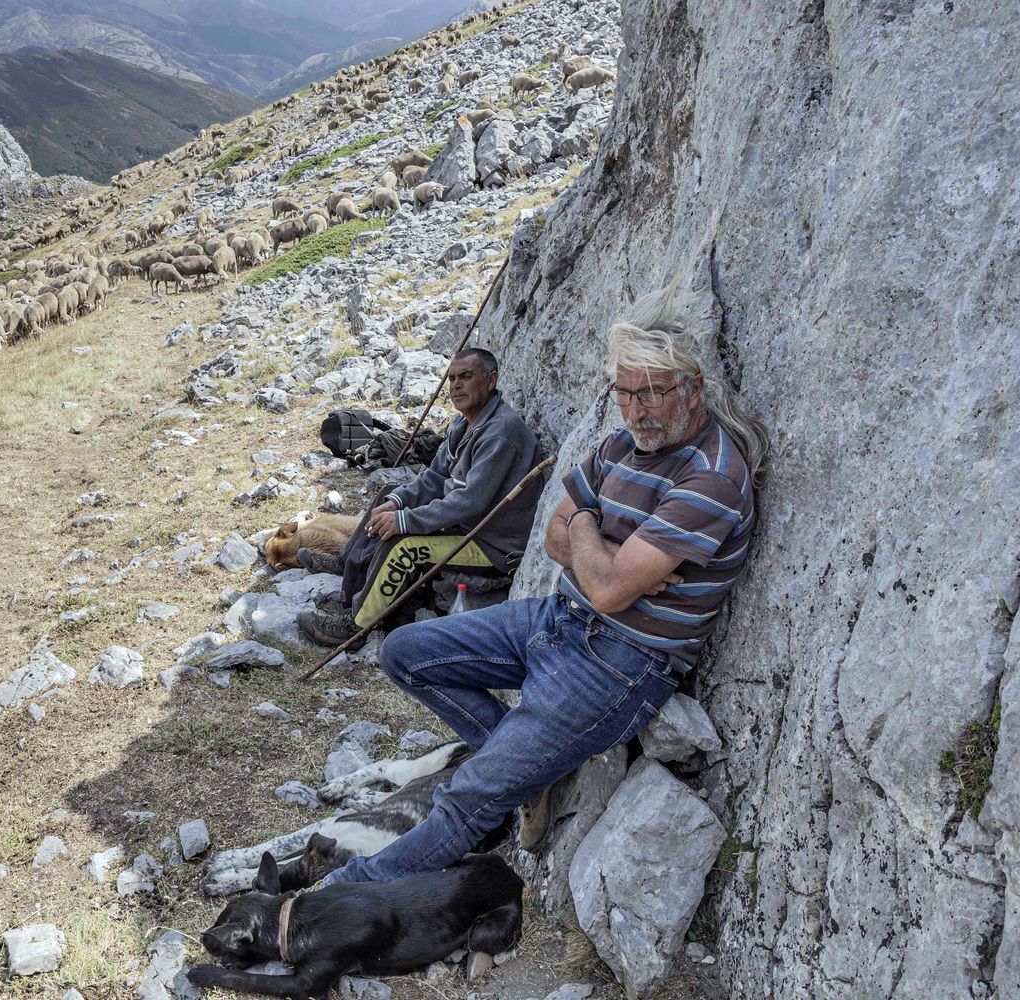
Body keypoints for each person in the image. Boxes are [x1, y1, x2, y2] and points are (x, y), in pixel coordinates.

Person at [318, 280, 769, 886]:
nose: (637, 410)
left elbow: (605, 586)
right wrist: (599, 546)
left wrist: (590, 543)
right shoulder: (621, 444)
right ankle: (530, 770)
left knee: (470, 796)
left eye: (654, 393)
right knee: (404, 652)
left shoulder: (711, 477)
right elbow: (556, 534)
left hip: (620, 661)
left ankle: (337, 898)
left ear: (693, 388)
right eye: (625, 393)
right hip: (559, 618)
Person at [297, 348, 545, 647]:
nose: (455, 386)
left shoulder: (500, 433)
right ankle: (348, 561)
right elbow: (435, 477)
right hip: (467, 525)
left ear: (491, 380)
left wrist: (405, 521)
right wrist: (399, 503)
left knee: (406, 548)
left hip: (491, 544)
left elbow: (469, 501)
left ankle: (357, 627)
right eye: (451, 378)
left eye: (466, 377)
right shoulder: (463, 423)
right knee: (389, 495)